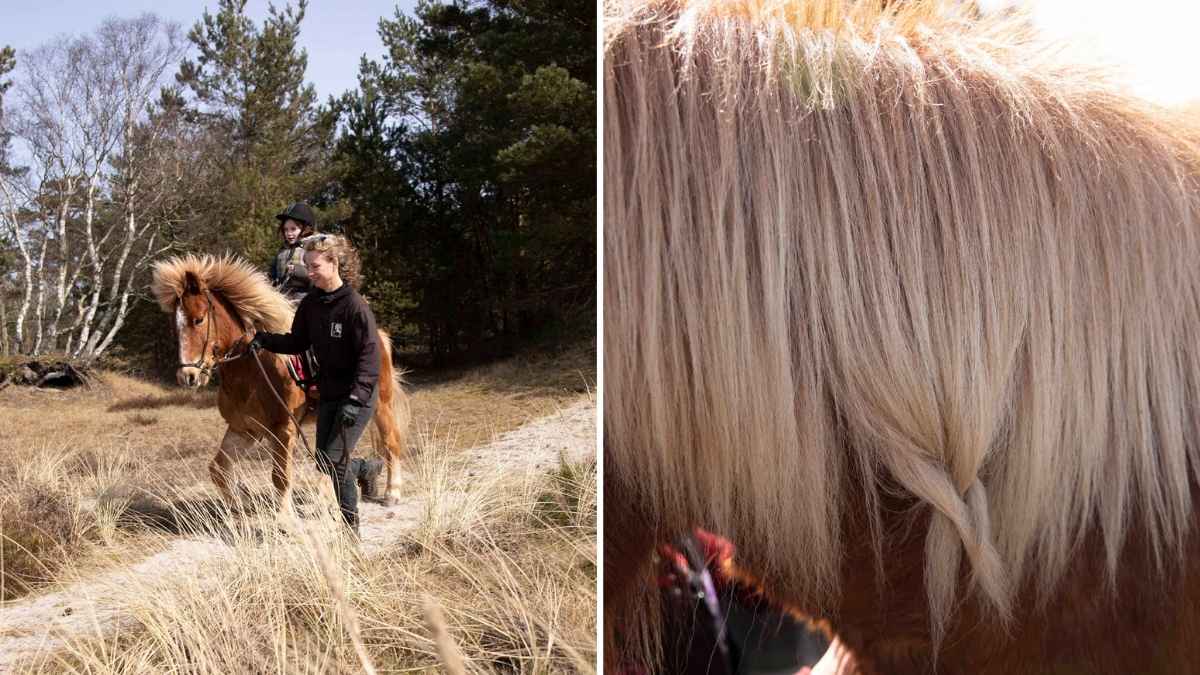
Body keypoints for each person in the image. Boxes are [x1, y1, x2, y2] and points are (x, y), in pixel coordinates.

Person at [251, 233, 384, 536]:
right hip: (330, 392)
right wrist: (264, 339)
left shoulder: (354, 306)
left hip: (357, 395)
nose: (309, 273)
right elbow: (297, 341)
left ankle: (350, 533)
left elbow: (369, 357)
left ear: (333, 263)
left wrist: (356, 399)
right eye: (307, 266)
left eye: (315, 266)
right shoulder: (311, 304)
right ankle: (366, 469)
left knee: (336, 462)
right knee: (324, 461)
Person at [269, 202, 318, 301]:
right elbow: (273, 273)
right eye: (285, 229)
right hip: (282, 296)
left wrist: (297, 270)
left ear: (306, 229)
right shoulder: (282, 250)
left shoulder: (310, 250)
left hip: (304, 299)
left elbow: (316, 275)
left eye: (293, 229)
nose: (289, 233)